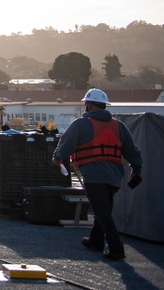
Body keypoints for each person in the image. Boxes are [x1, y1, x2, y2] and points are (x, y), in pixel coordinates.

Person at [52, 88, 143, 260]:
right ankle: (96, 240)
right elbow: (132, 150)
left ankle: (116, 248)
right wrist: (137, 169)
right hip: (115, 177)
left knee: (102, 212)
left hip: (94, 176)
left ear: (89, 104)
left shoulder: (81, 124)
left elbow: (67, 145)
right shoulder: (119, 126)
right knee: (105, 208)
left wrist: (58, 157)